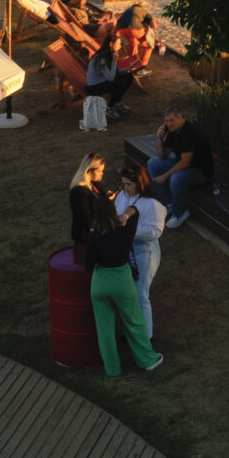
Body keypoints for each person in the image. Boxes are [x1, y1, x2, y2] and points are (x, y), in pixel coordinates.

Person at [85, 172, 162, 377]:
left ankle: (112, 369)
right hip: (121, 281)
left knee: (104, 328)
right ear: (113, 212)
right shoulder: (124, 231)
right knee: (134, 320)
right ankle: (147, 359)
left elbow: (88, 264)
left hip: (100, 283)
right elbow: (135, 211)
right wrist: (125, 215)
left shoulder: (94, 235)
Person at [115, 161, 168, 343]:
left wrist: (129, 230)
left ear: (140, 183)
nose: (125, 188)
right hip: (125, 250)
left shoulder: (152, 204)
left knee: (140, 295)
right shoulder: (122, 196)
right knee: (127, 294)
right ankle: (131, 333)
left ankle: (147, 338)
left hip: (144, 251)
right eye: (124, 183)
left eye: (129, 184)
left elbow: (156, 232)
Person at [147, 109, 212, 229]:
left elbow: (185, 163)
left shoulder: (189, 132)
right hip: (183, 164)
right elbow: (162, 156)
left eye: (172, 120)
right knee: (152, 163)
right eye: (166, 121)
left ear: (181, 118)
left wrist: (164, 176)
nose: (168, 124)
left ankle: (180, 213)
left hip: (200, 170)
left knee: (176, 178)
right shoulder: (173, 131)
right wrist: (159, 138)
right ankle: (169, 203)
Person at [84, 41, 134, 122]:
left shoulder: (109, 55)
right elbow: (111, 78)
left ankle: (117, 103)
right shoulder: (101, 59)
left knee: (129, 76)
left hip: (102, 82)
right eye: (118, 43)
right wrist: (114, 61)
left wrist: (126, 70)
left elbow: (114, 73)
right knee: (119, 83)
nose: (121, 45)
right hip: (94, 87)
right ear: (111, 44)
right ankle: (110, 107)